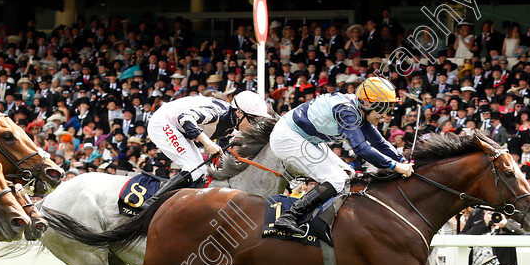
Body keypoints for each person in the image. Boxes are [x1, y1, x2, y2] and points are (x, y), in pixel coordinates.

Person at [270, 76, 413, 234]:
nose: (386, 114)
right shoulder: (346, 111)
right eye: (383, 108)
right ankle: (289, 217)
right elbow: (361, 149)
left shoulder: (359, 109)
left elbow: (379, 143)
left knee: (347, 174)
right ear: (367, 104)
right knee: (336, 180)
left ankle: (323, 220)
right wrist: (395, 166)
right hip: (289, 137)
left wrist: (403, 160)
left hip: (306, 138)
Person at [140, 90, 268, 209]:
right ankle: (153, 203)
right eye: (253, 120)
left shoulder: (231, 127)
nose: (254, 125)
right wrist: (207, 143)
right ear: (239, 113)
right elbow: (184, 118)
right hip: (163, 123)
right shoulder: (218, 113)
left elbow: (223, 153)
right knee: (194, 168)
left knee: (202, 171)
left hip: (178, 128)